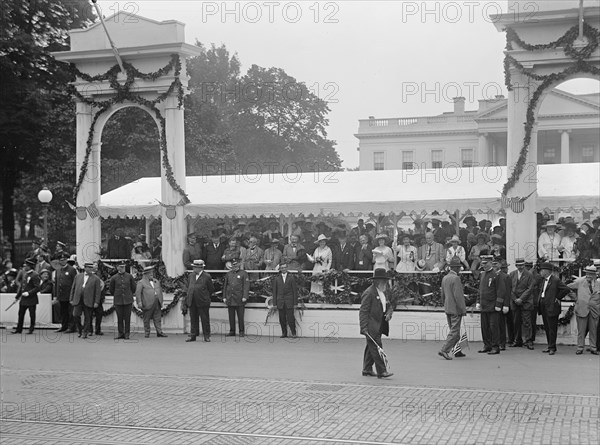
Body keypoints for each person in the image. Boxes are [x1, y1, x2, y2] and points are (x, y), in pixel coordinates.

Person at [359, 268, 393, 379]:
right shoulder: (369, 293)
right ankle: (382, 371)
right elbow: (363, 311)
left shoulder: (383, 291)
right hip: (371, 326)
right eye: (384, 281)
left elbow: (389, 305)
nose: (386, 283)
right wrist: (363, 328)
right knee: (377, 347)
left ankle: (367, 369)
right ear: (378, 281)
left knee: (371, 347)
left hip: (380, 324)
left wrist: (389, 313)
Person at [475, 255, 507, 355]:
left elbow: (501, 291)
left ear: (490, 263)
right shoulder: (482, 274)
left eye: (485, 263)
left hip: (493, 306)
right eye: (482, 263)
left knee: (494, 327)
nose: (483, 265)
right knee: (484, 327)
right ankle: (487, 345)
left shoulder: (496, 275)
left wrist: (498, 304)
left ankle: (495, 346)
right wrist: (478, 301)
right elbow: (480, 290)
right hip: (484, 305)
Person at [537, 262, 571, 355]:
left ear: (547, 271)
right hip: (544, 306)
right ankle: (549, 346)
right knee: (547, 328)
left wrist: (558, 297)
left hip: (552, 307)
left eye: (542, 270)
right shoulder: (543, 280)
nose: (540, 272)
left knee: (552, 328)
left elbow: (566, 289)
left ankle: (552, 347)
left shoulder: (555, 280)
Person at [567, 265, 600, 355]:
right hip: (582, 309)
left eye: (591, 274)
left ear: (595, 275)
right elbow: (567, 287)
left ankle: (593, 348)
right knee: (581, 331)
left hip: (594, 311)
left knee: (593, 331)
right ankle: (580, 347)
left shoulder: (598, 284)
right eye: (587, 274)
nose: (588, 276)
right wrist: (575, 298)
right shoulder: (580, 282)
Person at [439, 257, 467, 360]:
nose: (460, 269)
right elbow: (458, 296)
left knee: (454, 330)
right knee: (454, 332)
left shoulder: (445, 278)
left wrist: (445, 305)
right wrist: (463, 309)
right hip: (456, 308)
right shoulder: (456, 278)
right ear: (456, 268)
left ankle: (457, 350)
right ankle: (444, 350)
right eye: (459, 267)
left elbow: (443, 294)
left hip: (448, 307)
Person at [183, 259, 214, 342]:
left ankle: (206, 335)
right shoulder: (191, 276)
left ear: (200, 268)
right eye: (194, 267)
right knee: (193, 319)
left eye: (195, 267)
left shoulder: (207, 276)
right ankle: (193, 335)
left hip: (203, 301)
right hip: (192, 300)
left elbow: (211, 289)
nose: (194, 269)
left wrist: (205, 297)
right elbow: (188, 286)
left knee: (205, 319)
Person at [70, 262, 102, 339]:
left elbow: (97, 292)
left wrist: (96, 302)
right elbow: (73, 288)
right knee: (76, 315)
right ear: (85, 268)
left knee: (88, 317)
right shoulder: (78, 276)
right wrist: (71, 298)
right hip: (78, 299)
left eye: (91, 268)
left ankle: (85, 332)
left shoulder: (96, 278)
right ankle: (80, 329)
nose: (90, 269)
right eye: (88, 268)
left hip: (89, 299)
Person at [509, 258, 535, 349]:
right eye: (519, 265)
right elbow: (509, 288)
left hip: (526, 302)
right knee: (516, 322)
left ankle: (528, 341)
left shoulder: (529, 275)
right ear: (516, 265)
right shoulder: (512, 274)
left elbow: (530, 288)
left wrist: (521, 299)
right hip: (515, 302)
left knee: (527, 322)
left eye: (522, 265)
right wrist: (515, 299)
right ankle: (517, 340)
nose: (521, 267)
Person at [135, 265, 167, 338]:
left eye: (152, 273)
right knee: (146, 318)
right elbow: (138, 293)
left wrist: (161, 301)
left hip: (157, 302)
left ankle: (159, 332)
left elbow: (160, 291)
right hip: (147, 302)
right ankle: (147, 332)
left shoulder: (156, 281)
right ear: (145, 274)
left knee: (157, 318)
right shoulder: (141, 282)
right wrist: (139, 302)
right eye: (150, 273)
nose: (151, 274)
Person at [11, 259, 40, 334]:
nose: (24, 267)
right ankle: (19, 329)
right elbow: (22, 287)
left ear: (30, 266)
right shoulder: (25, 274)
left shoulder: (35, 275)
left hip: (31, 299)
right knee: (20, 314)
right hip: (23, 299)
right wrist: (17, 297)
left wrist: (29, 293)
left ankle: (31, 328)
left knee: (32, 314)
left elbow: (37, 287)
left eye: (26, 266)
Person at [109, 260, 137, 340]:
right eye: (121, 267)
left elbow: (133, 288)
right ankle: (120, 333)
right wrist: (117, 295)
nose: (123, 268)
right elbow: (111, 289)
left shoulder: (129, 276)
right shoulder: (114, 278)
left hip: (128, 300)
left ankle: (127, 333)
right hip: (118, 300)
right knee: (120, 318)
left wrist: (129, 294)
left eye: (124, 267)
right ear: (117, 267)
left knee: (127, 318)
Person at [222, 258, 250, 337]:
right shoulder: (229, 274)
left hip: (239, 298)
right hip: (230, 297)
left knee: (240, 316)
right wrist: (224, 296)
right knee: (231, 316)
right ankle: (232, 331)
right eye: (233, 265)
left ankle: (241, 331)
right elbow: (225, 286)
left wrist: (245, 296)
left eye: (236, 265)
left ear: (239, 265)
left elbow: (246, 286)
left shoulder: (244, 273)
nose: (235, 266)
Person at [272, 261, 298, 338]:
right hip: (280, 301)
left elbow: (294, 291)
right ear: (280, 269)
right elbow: (275, 292)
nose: (283, 269)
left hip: (289, 301)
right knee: (282, 319)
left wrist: (295, 303)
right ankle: (284, 333)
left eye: (285, 267)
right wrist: (274, 303)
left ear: (287, 268)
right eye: (282, 268)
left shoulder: (291, 278)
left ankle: (293, 333)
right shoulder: (276, 279)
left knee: (291, 318)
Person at [54, 253, 76, 333]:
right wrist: (56, 295)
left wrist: (74, 294)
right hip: (61, 294)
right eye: (61, 260)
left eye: (64, 260)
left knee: (70, 311)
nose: (62, 261)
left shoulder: (71, 269)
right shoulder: (58, 270)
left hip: (69, 294)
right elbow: (57, 283)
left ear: (66, 260)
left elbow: (75, 282)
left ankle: (71, 327)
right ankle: (64, 326)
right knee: (63, 311)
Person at [495, 259, 513, 350]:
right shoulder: (501, 276)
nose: (507, 269)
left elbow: (508, 292)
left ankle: (502, 343)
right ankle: (498, 342)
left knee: (501, 324)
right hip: (498, 303)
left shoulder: (506, 277)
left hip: (503, 303)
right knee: (497, 324)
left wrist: (506, 304)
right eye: (505, 268)